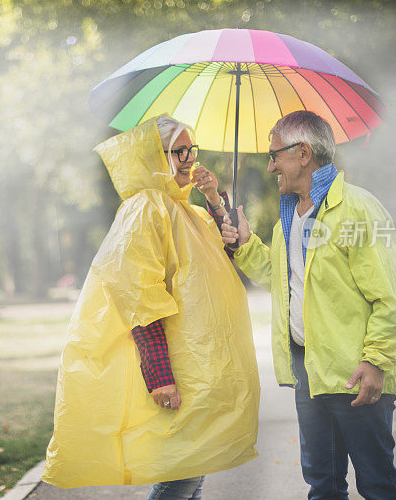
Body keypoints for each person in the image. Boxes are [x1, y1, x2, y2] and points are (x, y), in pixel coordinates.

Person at [42, 115, 260, 499]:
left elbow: (228, 252)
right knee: (182, 474)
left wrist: (213, 200)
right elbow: (137, 294)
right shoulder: (145, 208)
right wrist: (159, 374)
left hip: (198, 365)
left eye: (192, 150)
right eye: (180, 152)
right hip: (177, 364)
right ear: (154, 156)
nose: (190, 159)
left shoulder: (186, 210)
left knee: (194, 465)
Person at [221, 110, 396, 499]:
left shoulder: (357, 209)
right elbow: (282, 279)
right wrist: (243, 244)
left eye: (276, 155)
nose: (271, 165)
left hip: (357, 373)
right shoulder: (288, 220)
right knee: (322, 486)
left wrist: (375, 361)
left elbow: (389, 299)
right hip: (310, 374)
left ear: (303, 153)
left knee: (377, 484)